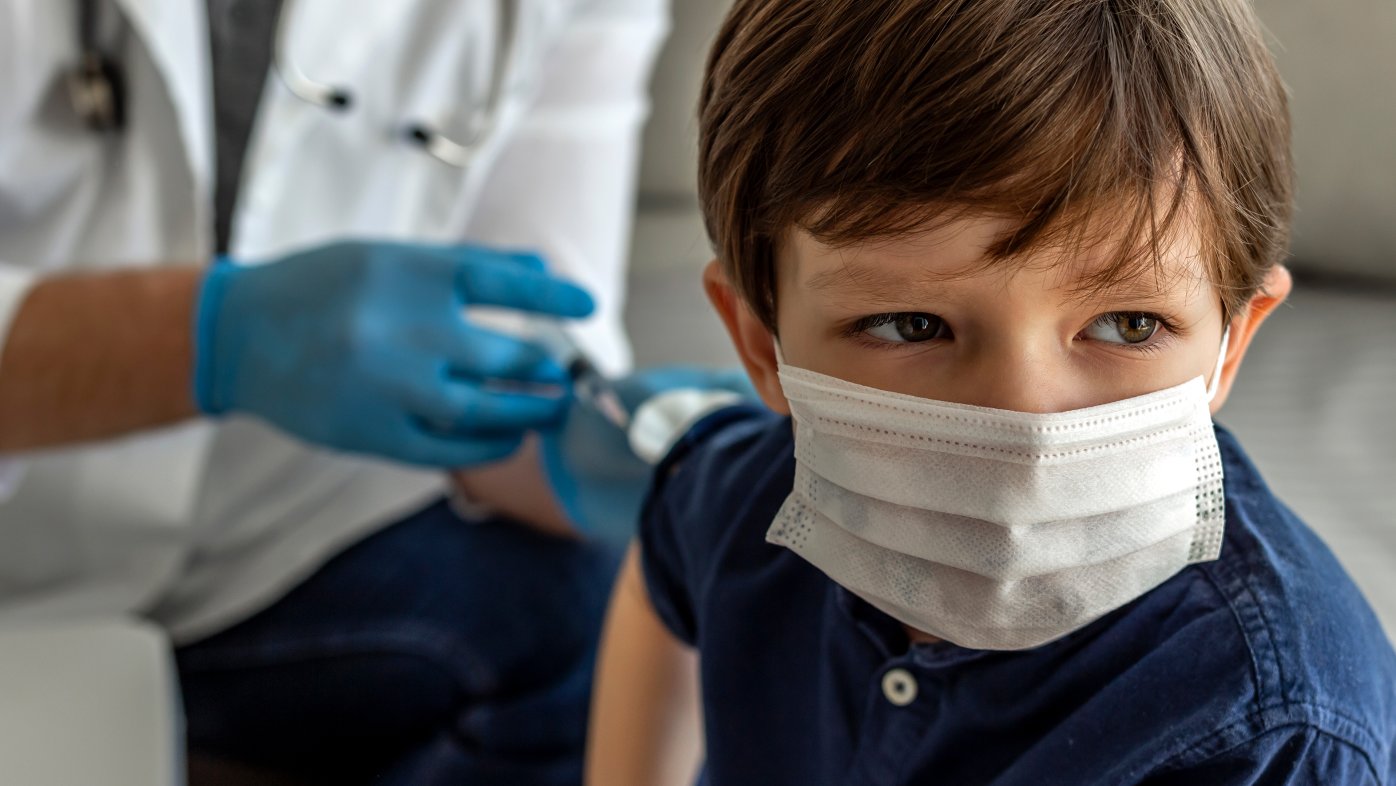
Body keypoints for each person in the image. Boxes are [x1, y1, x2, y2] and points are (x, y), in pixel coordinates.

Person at [586, 0, 1396, 783]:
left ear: (1229, 348)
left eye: (1126, 326)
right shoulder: (744, 499)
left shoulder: (1272, 731)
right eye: (910, 325)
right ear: (761, 344)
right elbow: (665, 565)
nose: (1021, 416)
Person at [0, 0, 708, 783]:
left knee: (578, 611)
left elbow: (530, 325)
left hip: (263, 543)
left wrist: (586, 441)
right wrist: (204, 339)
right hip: (18, 550)